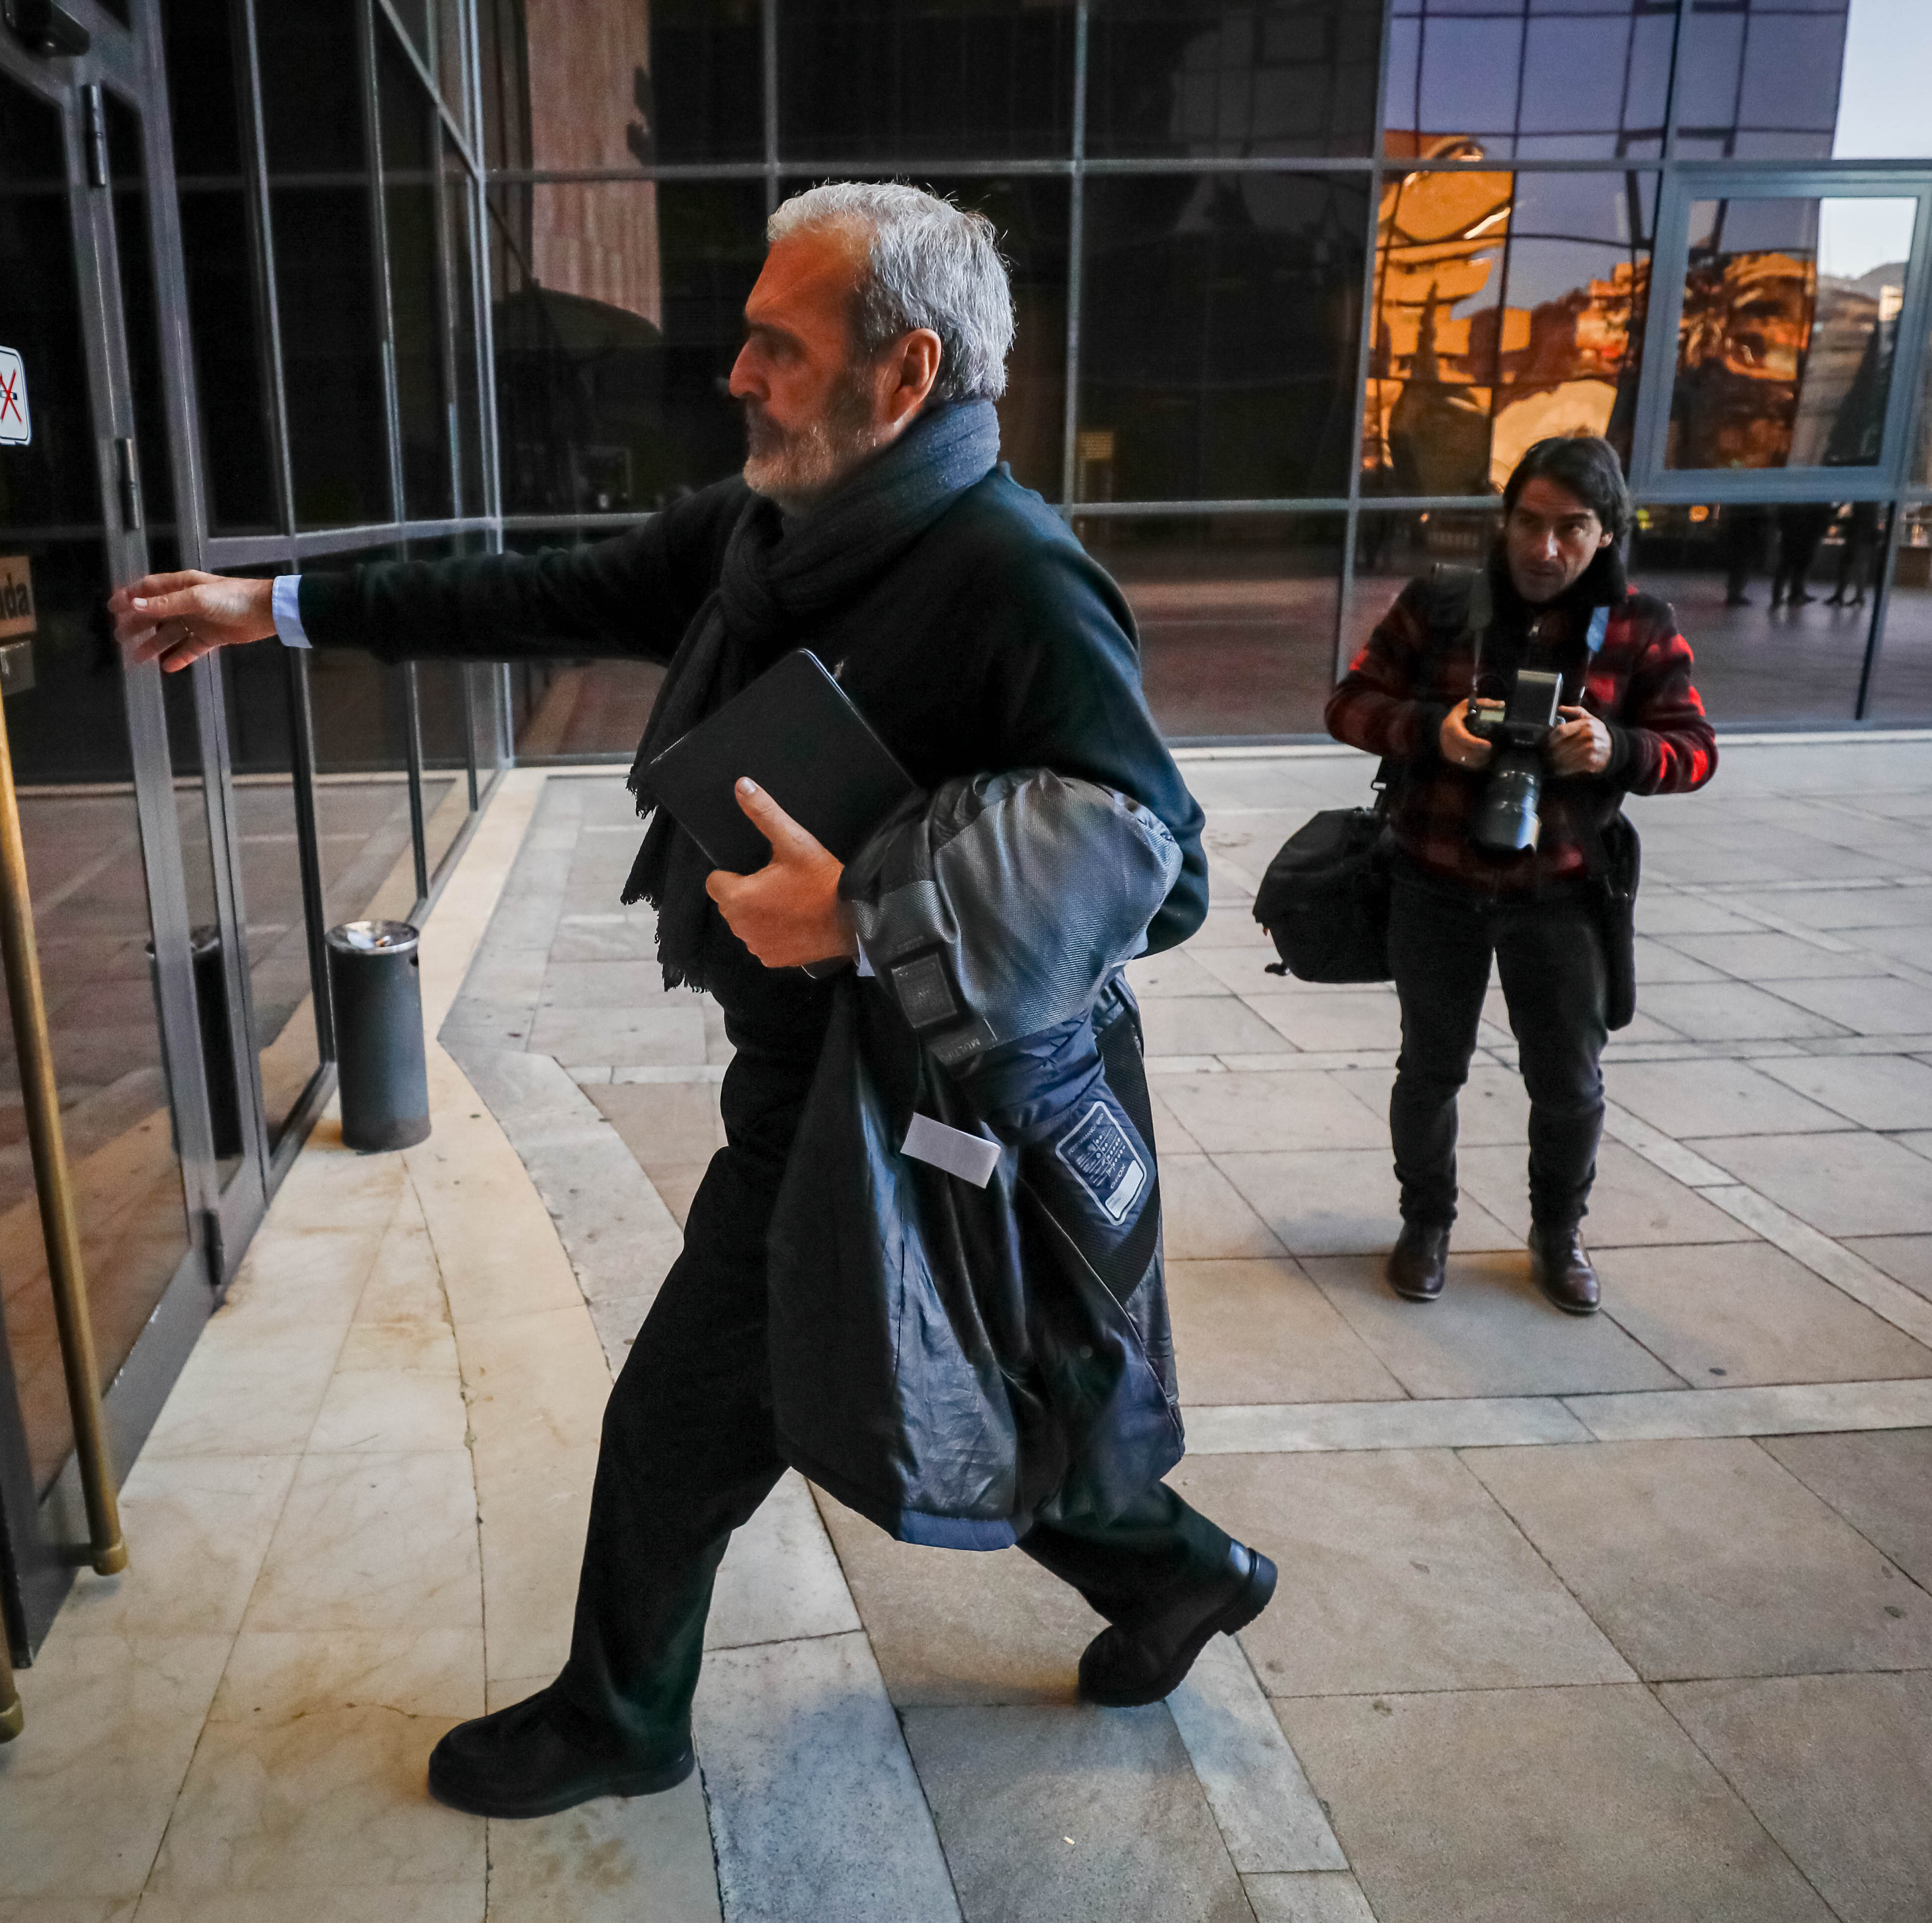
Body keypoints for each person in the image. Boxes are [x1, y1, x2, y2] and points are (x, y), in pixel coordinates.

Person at [110, 184, 1273, 1819]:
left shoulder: (1015, 574)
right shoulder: (767, 536)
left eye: (775, 347)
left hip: (923, 1091)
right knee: (912, 1369)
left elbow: (1159, 867)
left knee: (690, 1413)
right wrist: (275, 608)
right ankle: (1178, 1571)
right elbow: (535, 589)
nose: (734, 372)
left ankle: (621, 1715)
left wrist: (864, 911)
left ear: (905, 370)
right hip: (807, 1073)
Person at [1326, 436, 1715, 1314]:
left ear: (1607, 531)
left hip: (1565, 892)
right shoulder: (1440, 602)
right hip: (1436, 879)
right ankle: (1425, 1224)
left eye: (1572, 529)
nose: (1546, 550)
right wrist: (1435, 731)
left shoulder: (1638, 624)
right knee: (1430, 1069)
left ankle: (1556, 1235)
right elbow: (1347, 703)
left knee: (1569, 1083)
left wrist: (1619, 747)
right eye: (1529, 524)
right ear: (1504, 521)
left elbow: (1696, 752)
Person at [1770, 501, 1834, 608]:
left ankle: (1783, 596)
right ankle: (1795, 594)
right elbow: (1823, 518)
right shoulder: (1818, 502)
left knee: (1787, 567)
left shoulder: (1792, 500)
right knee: (1800, 567)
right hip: (1807, 537)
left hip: (1792, 536)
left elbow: (1781, 516)